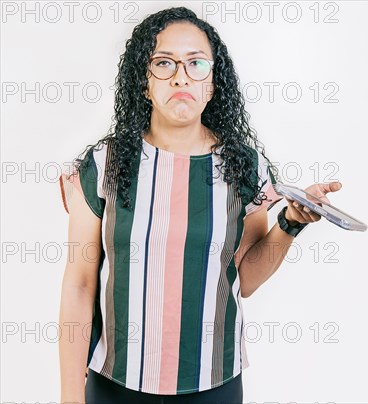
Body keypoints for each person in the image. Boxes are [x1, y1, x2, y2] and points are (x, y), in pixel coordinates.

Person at [57, 6, 342, 404]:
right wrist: (71, 396)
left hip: (214, 385)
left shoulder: (245, 168)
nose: (180, 76)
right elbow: (79, 285)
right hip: (114, 385)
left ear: (213, 81)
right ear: (143, 81)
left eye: (196, 63)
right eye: (163, 63)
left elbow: (249, 278)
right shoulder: (105, 165)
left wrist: (291, 223)